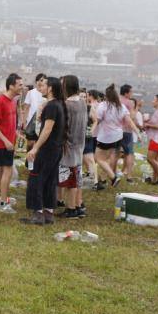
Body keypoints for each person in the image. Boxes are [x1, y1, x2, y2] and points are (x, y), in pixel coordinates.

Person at [20, 77, 66, 225]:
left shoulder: (52, 106)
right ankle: (48, 213)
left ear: (51, 88)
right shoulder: (59, 104)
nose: (41, 87)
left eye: (44, 85)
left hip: (47, 149)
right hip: (56, 148)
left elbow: (47, 130)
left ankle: (38, 213)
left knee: (36, 178)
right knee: (50, 180)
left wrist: (35, 148)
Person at [0, 73, 23, 213]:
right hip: (2, 144)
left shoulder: (13, 101)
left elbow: (9, 123)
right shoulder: (0, 101)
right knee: (7, 170)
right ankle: (3, 202)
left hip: (9, 141)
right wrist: (5, 140)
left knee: (1, 170)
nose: (22, 87)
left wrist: (16, 134)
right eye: (20, 85)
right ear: (11, 86)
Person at [93, 85, 139, 190]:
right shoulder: (121, 106)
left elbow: (98, 120)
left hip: (105, 136)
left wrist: (92, 130)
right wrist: (138, 132)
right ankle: (105, 178)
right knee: (109, 158)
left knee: (99, 158)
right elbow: (129, 121)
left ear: (106, 96)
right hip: (118, 136)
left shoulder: (103, 105)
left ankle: (113, 177)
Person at [57, 75, 87, 219]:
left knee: (69, 180)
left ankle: (70, 209)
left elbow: (62, 126)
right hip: (80, 145)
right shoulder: (82, 102)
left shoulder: (67, 104)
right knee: (75, 179)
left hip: (68, 146)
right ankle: (75, 206)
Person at [143, 94, 158, 185]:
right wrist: (149, 122)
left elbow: (157, 126)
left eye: (154, 100)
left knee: (150, 159)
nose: (152, 101)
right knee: (156, 159)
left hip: (157, 139)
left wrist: (147, 125)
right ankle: (155, 179)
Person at [21, 73, 47, 152]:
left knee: (39, 143)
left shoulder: (47, 93)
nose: (40, 82)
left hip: (42, 121)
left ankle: (35, 160)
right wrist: (24, 122)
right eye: (39, 80)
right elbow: (26, 107)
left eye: (43, 80)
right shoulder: (31, 92)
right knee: (30, 143)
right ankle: (29, 160)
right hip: (31, 121)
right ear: (36, 82)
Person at [118, 84, 137, 180]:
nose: (132, 94)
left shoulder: (116, 101)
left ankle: (112, 174)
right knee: (129, 153)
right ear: (126, 93)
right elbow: (132, 117)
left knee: (115, 152)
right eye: (131, 92)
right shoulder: (129, 103)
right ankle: (129, 176)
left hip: (116, 130)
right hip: (127, 130)